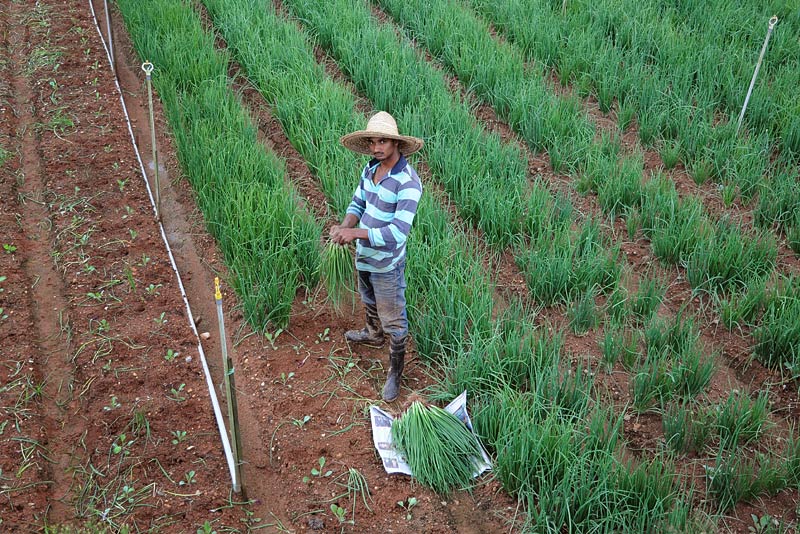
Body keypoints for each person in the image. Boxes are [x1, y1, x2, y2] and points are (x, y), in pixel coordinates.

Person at [330, 111, 424, 402]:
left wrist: (355, 233)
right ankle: (373, 334)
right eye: (372, 141)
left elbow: (397, 233)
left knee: (393, 318)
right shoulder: (370, 169)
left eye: (383, 141)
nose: (376, 147)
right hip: (365, 255)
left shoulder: (408, 183)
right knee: (367, 299)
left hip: (387, 263)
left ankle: (395, 371)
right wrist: (345, 226)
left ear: (396, 144)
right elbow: (358, 201)